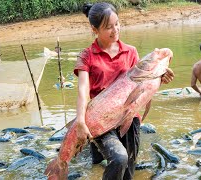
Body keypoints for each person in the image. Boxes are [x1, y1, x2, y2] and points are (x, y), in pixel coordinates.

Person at [73, 2, 174, 179]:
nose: (115, 30)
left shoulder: (130, 51)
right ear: (94, 29)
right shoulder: (86, 55)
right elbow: (83, 90)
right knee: (119, 158)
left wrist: (159, 77)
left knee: (128, 170)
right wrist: (81, 121)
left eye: (117, 24)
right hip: (101, 118)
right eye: (108, 27)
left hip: (129, 117)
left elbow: (140, 85)